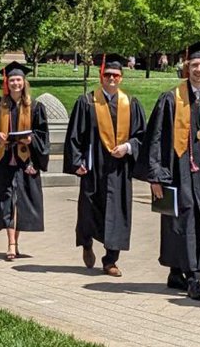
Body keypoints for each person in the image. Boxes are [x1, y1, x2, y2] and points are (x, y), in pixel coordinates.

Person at [139, 42, 200, 300]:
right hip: (177, 170)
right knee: (182, 220)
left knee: (199, 220)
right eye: (194, 65)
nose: (199, 69)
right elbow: (156, 138)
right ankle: (194, 278)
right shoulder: (171, 99)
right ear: (187, 67)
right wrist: (156, 175)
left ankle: (175, 273)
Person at [63, 53, 146, 277]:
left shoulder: (131, 104)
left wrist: (128, 147)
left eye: (115, 75)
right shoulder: (87, 102)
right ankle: (87, 243)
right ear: (101, 76)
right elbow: (74, 136)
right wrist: (77, 161)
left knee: (117, 214)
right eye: (107, 74)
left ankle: (110, 260)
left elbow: (141, 136)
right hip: (93, 167)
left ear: (121, 77)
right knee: (88, 210)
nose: (111, 78)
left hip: (119, 169)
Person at [0, 62, 50, 261]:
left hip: (26, 160)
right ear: (7, 82)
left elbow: (42, 133)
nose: (15, 83)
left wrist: (31, 139)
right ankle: (11, 243)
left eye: (18, 80)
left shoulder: (35, 106)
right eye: (12, 80)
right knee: (6, 200)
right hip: (4, 159)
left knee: (21, 202)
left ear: (24, 82)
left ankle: (15, 241)